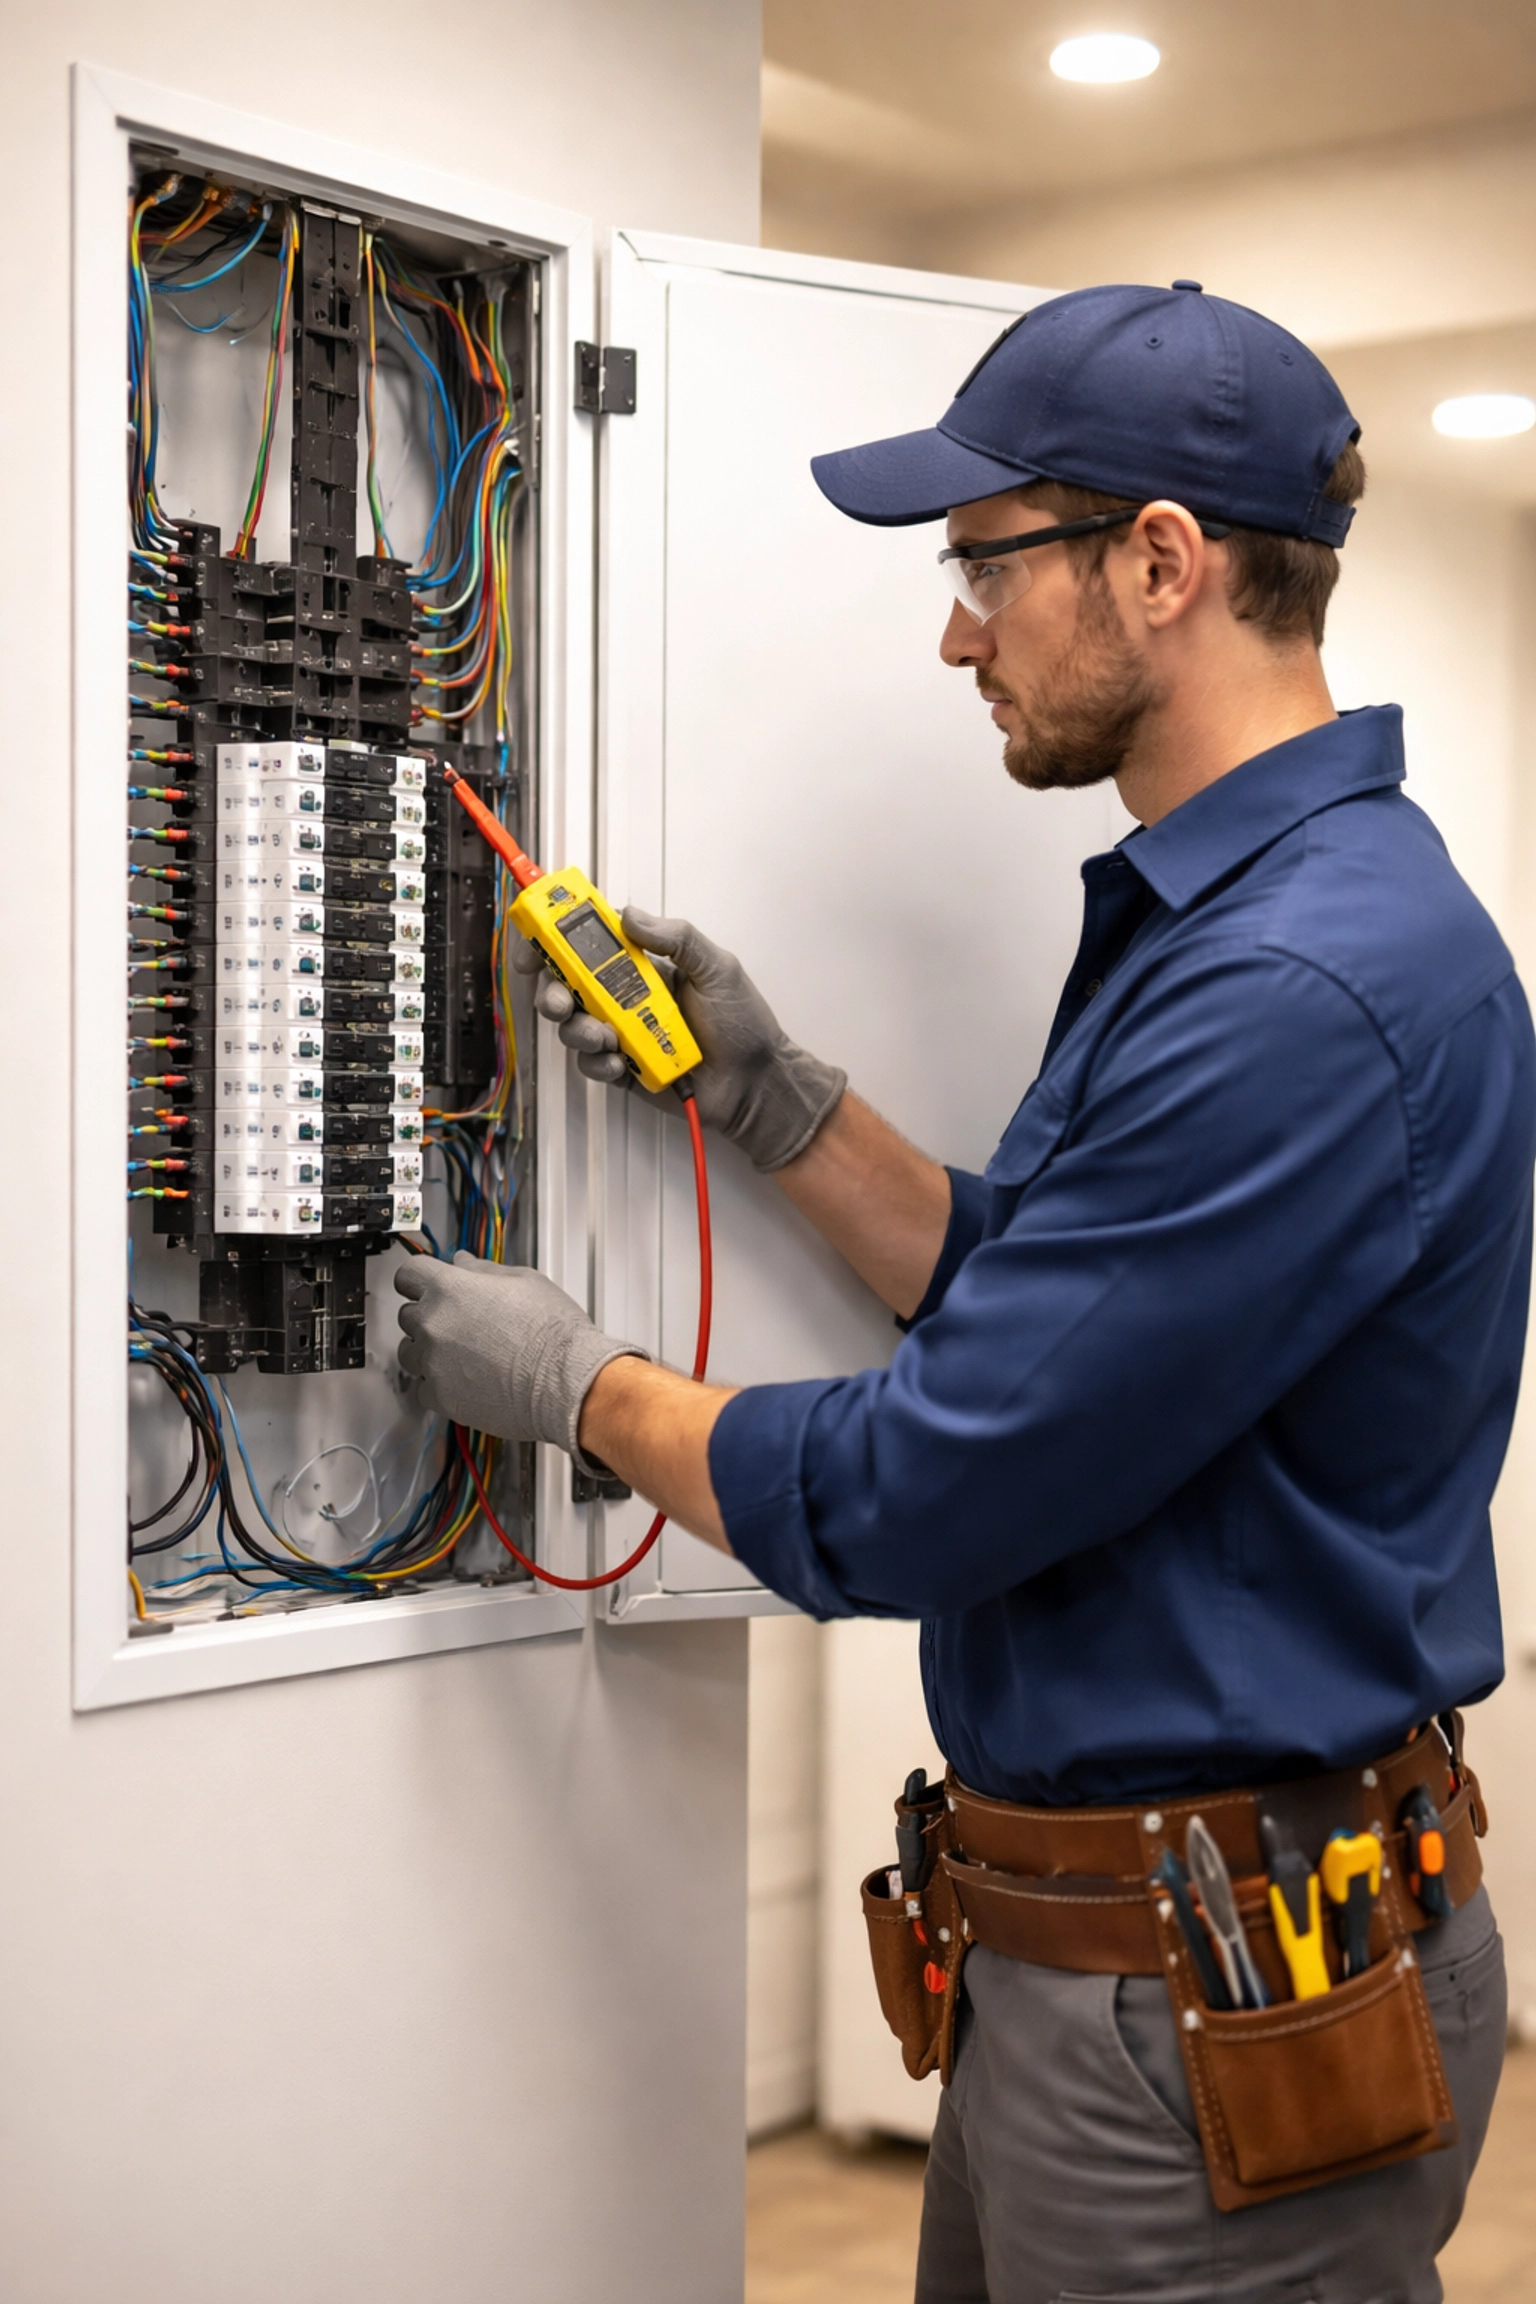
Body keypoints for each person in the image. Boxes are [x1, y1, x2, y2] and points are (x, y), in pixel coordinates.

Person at [396, 282, 1531, 2301]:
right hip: (1131, 1974)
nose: (955, 632)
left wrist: (582, 1388)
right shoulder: (1257, 916)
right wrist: (780, 1102)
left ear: (1162, 564)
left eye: (986, 566)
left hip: (1207, 2009)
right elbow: (1068, 1317)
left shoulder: (1294, 983)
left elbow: (930, 1487)